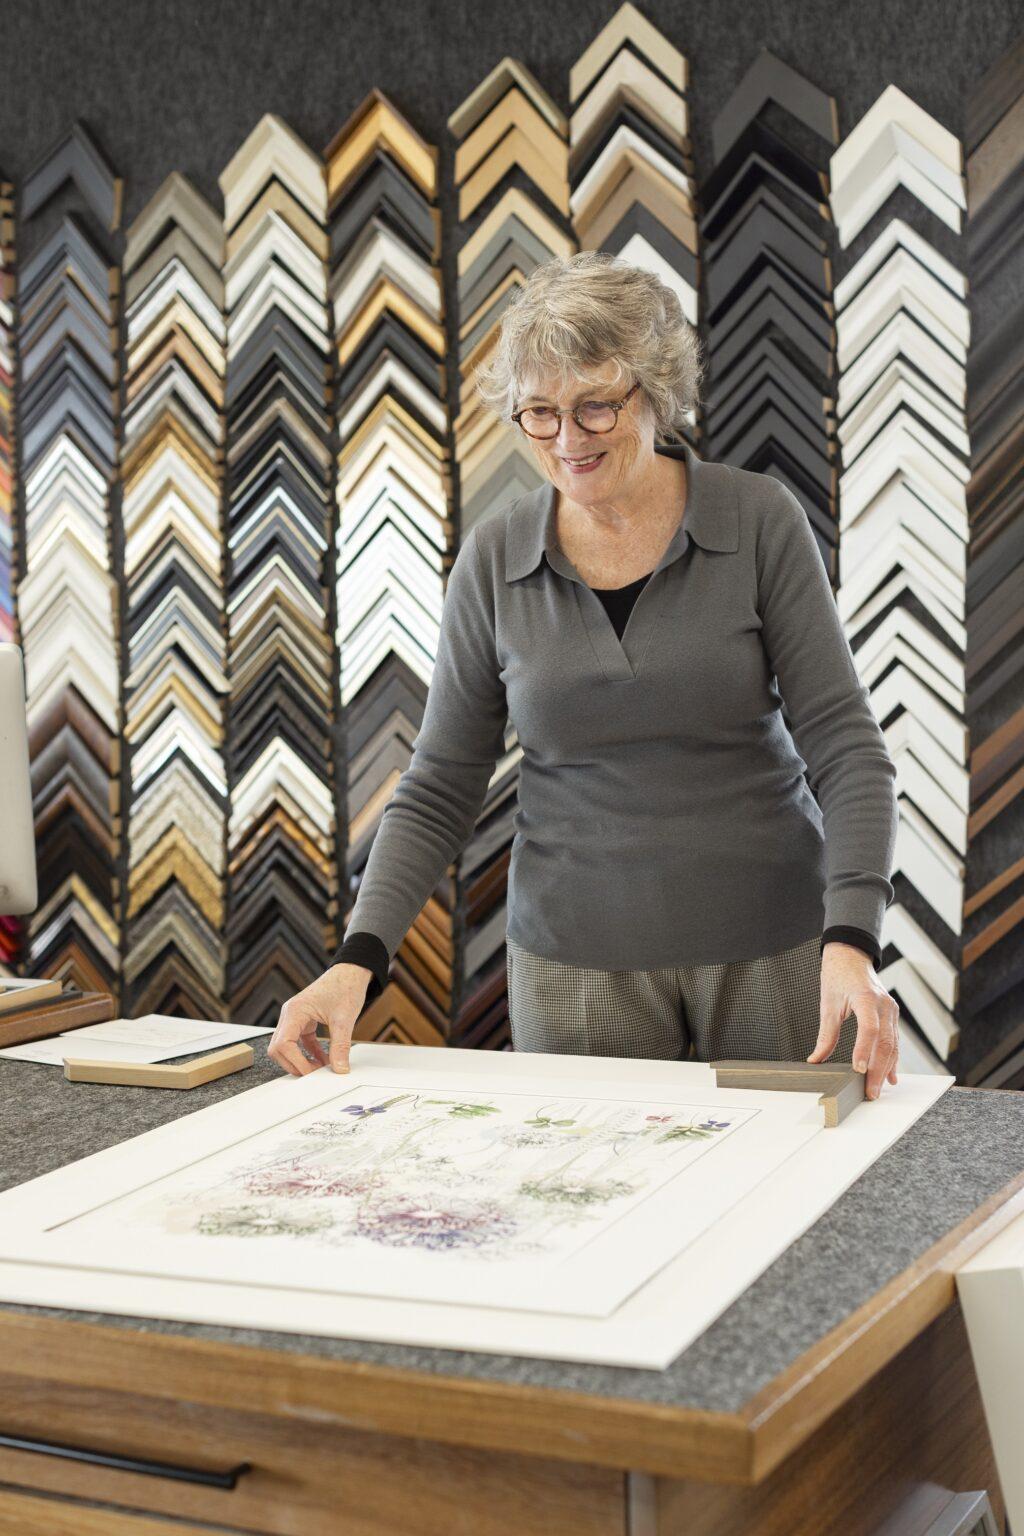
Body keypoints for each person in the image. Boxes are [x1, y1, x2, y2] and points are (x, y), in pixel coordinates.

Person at [269, 252, 900, 1100]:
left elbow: (847, 748)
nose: (568, 440)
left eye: (597, 404)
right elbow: (440, 783)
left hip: (775, 956)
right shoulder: (494, 558)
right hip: (573, 971)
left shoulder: (758, 521)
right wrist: (357, 960)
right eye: (540, 412)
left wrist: (850, 940)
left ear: (657, 390)